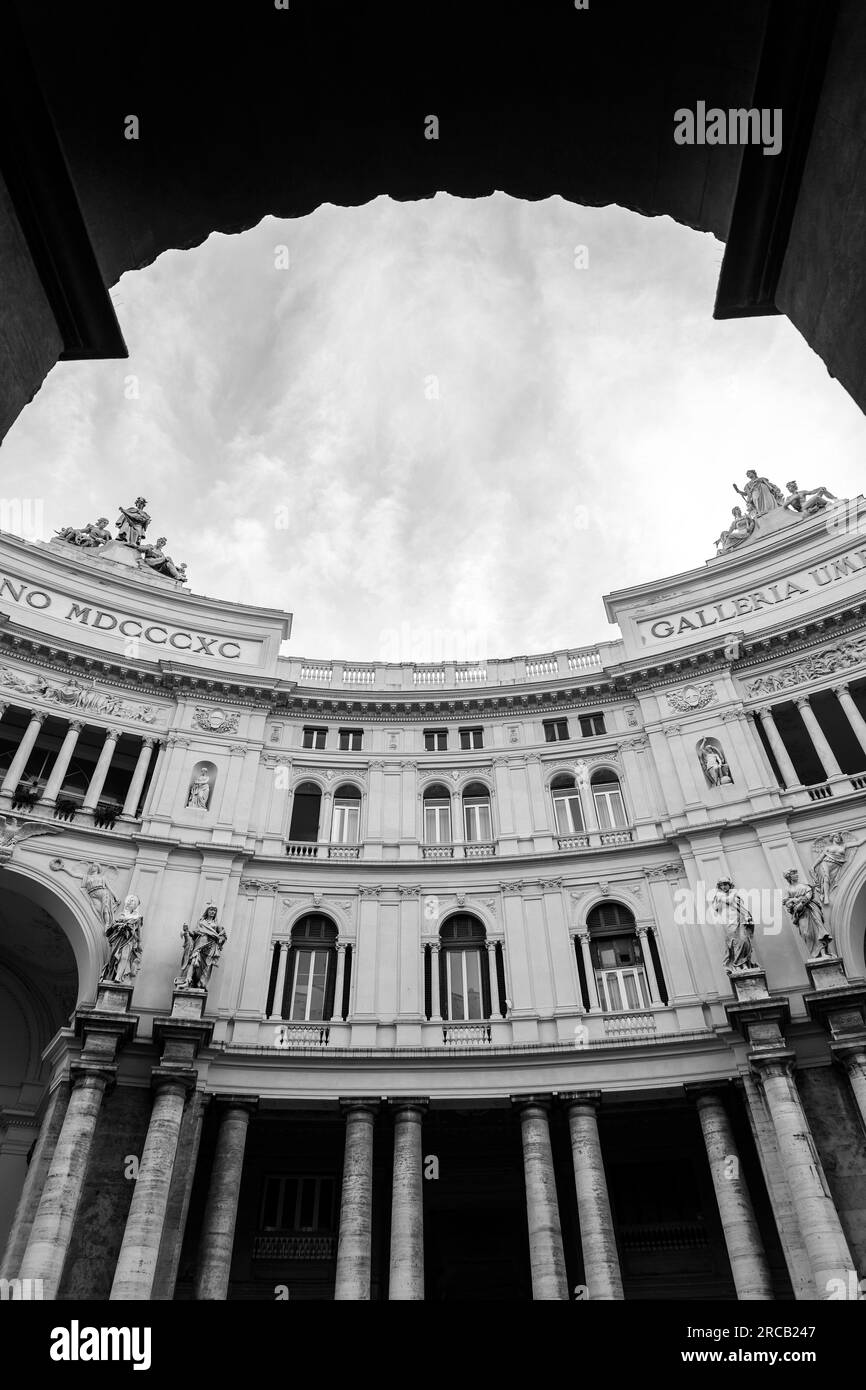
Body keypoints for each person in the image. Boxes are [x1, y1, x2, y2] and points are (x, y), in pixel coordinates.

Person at [782, 869, 834, 959]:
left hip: (810, 909)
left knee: (818, 930)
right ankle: (816, 955)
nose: (797, 875)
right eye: (794, 874)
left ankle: (823, 953)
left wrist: (800, 902)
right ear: (789, 877)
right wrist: (793, 902)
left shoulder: (804, 886)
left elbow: (809, 894)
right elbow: (786, 902)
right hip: (800, 914)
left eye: (797, 873)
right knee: (806, 933)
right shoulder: (788, 889)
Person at [175, 903, 227, 990]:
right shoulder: (201, 922)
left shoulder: (217, 925)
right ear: (207, 911)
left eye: (214, 910)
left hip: (210, 946)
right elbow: (195, 933)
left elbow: (223, 936)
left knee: (206, 965)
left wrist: (220, 939)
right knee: (194, 961)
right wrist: (186, 931)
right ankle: (187, 981)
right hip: (199, 943)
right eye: (211, 910)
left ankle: (201, 983)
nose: (212, 912)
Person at [711, 878, 758, 973]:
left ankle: (745, 963)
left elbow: (740, 907)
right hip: (729, 922)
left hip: (739, 920)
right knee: (735, 942)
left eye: (726, 884)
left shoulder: (734, 894)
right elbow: (727, 901)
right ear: (719, 887)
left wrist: (746, 915)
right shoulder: (719, 895)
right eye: (722, 885)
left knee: (744, 940)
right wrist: (733, 894)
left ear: (729, 885)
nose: (724, 887)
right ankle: (737, 965)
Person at [100, 894, 143, 983]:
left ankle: (118, 977)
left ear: (136, 905)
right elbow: (111, 928)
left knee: (124, 957)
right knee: (113, 959)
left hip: (128, 940)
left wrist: (138, 944)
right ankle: (112, 975)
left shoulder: (137, 918)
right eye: (130, 900)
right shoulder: (121, 915)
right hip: (118, 939)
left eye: (133, 901)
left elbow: (138, 934)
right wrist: (119, 925)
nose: (131, 902)